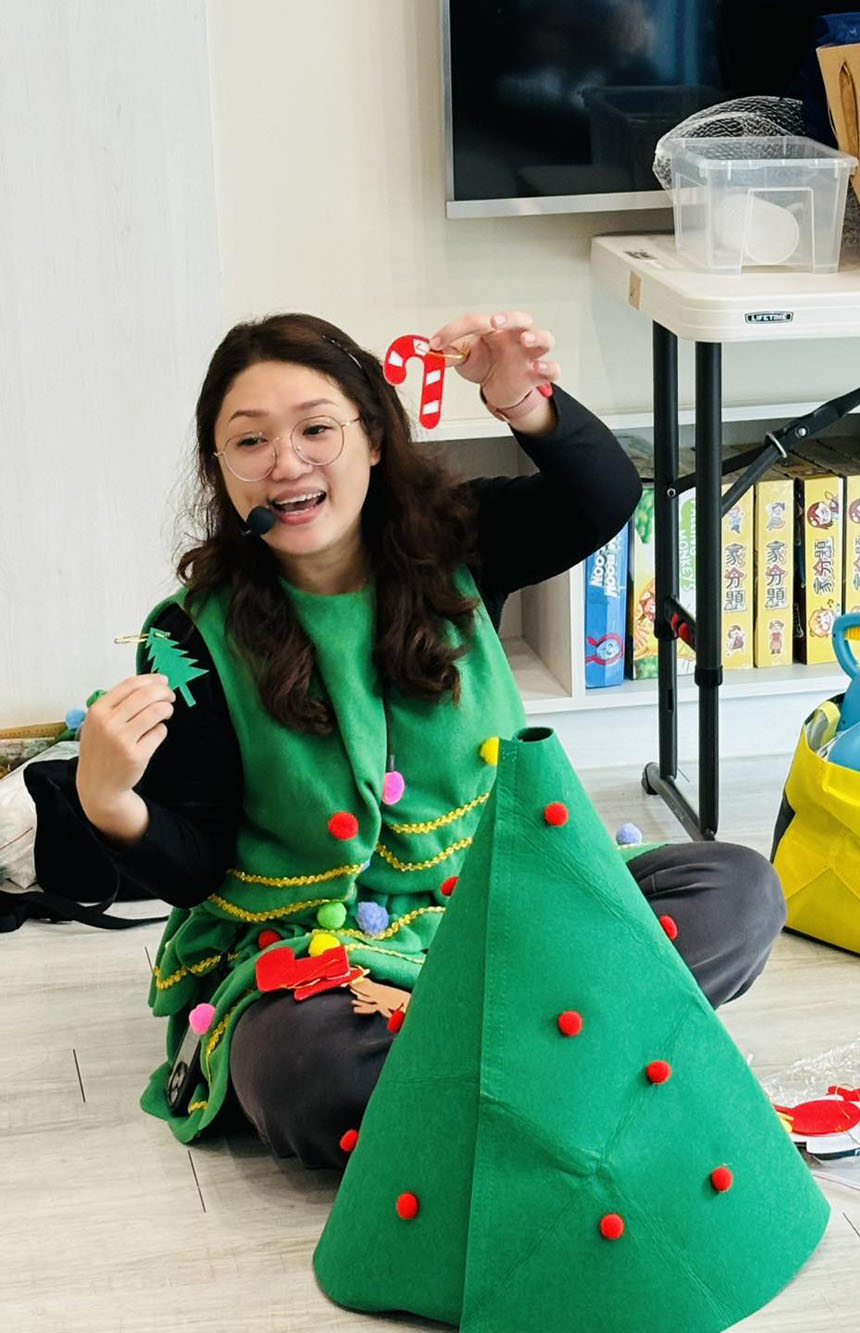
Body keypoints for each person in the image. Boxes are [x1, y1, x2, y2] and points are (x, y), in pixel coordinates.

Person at [26, 309, 786, 1167]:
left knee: (739, 892)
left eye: (316, 429)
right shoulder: (191, 636)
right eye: (250, 442)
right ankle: (574, 1059)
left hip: (505, 909)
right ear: (220, 468)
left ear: (375, 438)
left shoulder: (453, 539)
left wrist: (523, 400)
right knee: (301, 1067)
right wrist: (108, 798)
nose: (286, 464)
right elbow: (195, 866)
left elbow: (602, 498)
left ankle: (469, 1091)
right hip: (320, 954)